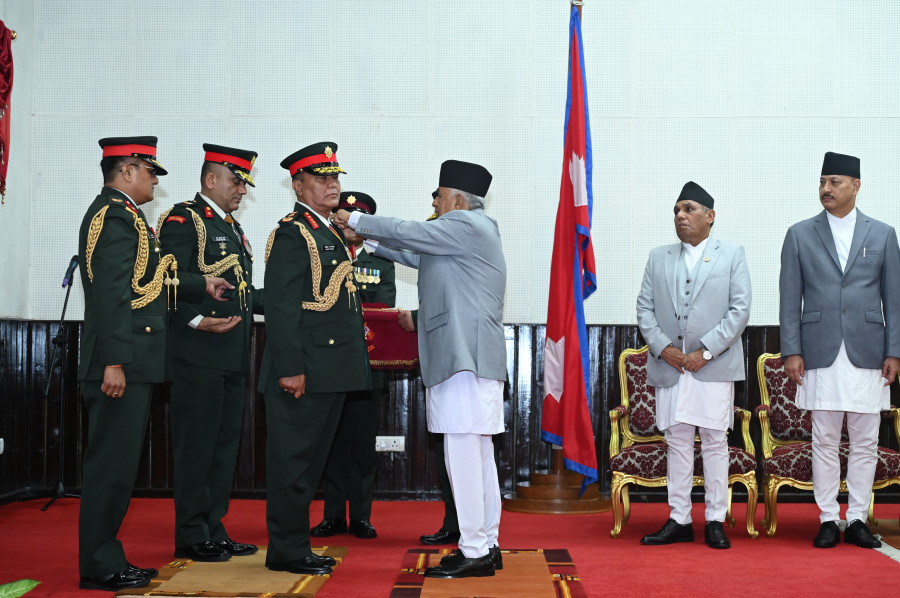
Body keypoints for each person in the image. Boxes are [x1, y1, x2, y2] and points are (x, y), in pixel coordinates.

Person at [334, 159, 506, 579]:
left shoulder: (467, 225)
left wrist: (356, 217)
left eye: (440, 194)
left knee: (463, 451)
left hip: (463, 357)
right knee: (477, 453)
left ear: (460, 200)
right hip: (468, 357)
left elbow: (414, 232)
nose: (434, 200)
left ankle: (474, 549)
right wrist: (367, 241)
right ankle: (486, 542)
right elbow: (415, 252)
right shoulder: (466, 233)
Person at [78, 137, 232, 591]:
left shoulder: (129, 217)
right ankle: (100, 565)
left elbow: (149, 279)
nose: (153, 180)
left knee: (120, 467)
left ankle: (104, 558)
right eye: (149, 171)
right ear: (126, 171)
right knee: (111, 468)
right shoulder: (113, 216)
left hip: (135, 360)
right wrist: (114, 362)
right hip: (122, 361)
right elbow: (109, 294)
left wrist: (200, 283)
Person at [259, 142, 370, 576]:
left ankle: (294, 545)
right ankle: (287, 549)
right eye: (321, 178)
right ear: (298, 185)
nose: (332, 185)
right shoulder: (294, 232)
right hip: (304, 369)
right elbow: (283, 308)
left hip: (331, 370)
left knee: (309, 465)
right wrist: (289, 368)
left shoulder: (328, 231)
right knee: (292, 465)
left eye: (335, 177)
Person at [780, 151, 900, 549]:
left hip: (868, 350)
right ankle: (828, 518)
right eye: (822, 182)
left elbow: (893, 300)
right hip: (819, 349)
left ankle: (858, 519)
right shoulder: (799, 234)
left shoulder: (882, 234)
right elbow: (789, 298)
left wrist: (894, 351)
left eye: (834, 182)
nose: (825, 189)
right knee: (824, 438)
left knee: (866, 440)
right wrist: (792, 350)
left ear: (856, 186)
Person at [158, 144, 264, 562]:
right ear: (210, 180)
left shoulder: (233, 228)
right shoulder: (185, 219)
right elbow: (166, 277)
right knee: (197, 446)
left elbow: (242, 292)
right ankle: (190, 533)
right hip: (198, 352)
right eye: (236, 180)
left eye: (244, 182)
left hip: (231, 353)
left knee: (223, 448)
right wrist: (196, 320)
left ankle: (213, 527)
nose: (242, 189)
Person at [635, 181, 751, 550]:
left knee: (716, 442)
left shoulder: (731, 254)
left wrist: (706, 351)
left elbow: (739, 310)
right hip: (671, 366)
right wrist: (663, 347)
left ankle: (715, 520)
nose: (680, 216)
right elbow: (644, 309)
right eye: (676, 210)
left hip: (711, 366)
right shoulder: (659, 256)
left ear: (709, 215)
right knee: (678, 441)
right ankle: (679, 518)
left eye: (688, 209)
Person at [311, 191, 395, 540]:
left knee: (361, 445)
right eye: (343, 215)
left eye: (356, 216)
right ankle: (332, 515)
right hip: (328, 365)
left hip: (366, 367)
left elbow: (382, 309)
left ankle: (360, 516)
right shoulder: (322, 256)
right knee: (330, 443)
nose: (347, 222)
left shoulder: (381, 262)